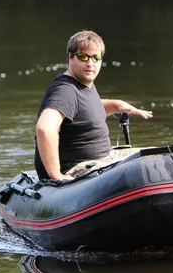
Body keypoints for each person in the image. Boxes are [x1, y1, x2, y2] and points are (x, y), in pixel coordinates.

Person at [34, 30, 153, 181]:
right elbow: (45, 129)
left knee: (159, 156)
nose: (90, 63)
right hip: (80, 169)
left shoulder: (83, 83)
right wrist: (56, 176)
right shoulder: (66, 91)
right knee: (146, 168)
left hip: (103, 158)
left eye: (96, 58)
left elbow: (83, 110)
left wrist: (117, 105)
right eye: (84, 57)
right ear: (70, 57)